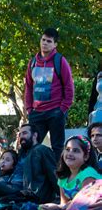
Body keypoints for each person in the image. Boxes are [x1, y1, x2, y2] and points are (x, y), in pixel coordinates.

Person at [21, 135, 102, 210]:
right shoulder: (63, 177)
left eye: (76, 151)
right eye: (67, 149)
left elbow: (83, 204)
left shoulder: (88, 175)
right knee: (33, 209)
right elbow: (63, 203)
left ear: (85, 157)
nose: (70, 153)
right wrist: (54, 206)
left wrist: (59, 208)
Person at [25, 28, 74, 161]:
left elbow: (69, 87)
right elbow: (28, 87)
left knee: (58, 148)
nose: (45, 43)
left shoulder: (60, 61)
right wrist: (29, 109)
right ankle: (31, 178)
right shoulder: (32, 63)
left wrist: (62, 109)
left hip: (55, 112)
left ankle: (59, 179)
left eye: (49, 41)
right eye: (43, 40)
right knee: (30, 147)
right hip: (37, 113)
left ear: (55, 44)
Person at [11, 124, 59, 204]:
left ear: (34, 135)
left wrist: (64, 197)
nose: (21, 137)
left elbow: (53, 173)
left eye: (25, 133)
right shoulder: (25, 153)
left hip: (37, 196)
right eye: (20, 134)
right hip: (24, 194)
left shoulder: (41, 150)